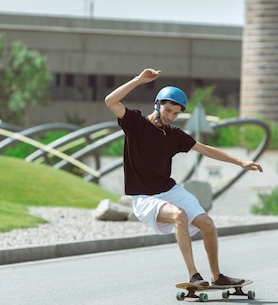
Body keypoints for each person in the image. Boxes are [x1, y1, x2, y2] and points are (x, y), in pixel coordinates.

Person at [104, 68, 263, 286]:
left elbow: (205, 149)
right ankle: (194, 275)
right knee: (179, 215)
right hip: (144, 197)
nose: (170, 117)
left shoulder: (173, 136)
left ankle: (217, 277)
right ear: (157, 104)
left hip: (169, 190)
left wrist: (240, 162)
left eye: (175, 114)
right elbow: (110, 101)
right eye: (167, 110)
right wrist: (139, 80)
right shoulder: (135, 123)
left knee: (207, 224)